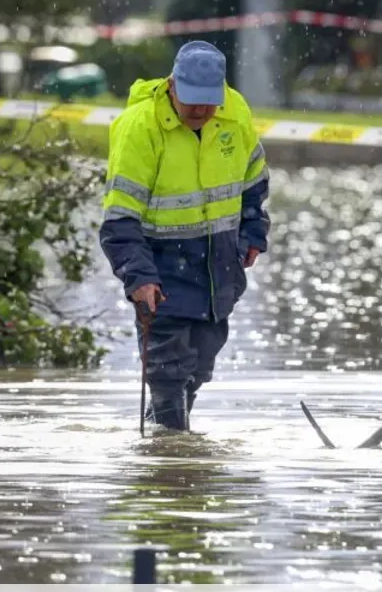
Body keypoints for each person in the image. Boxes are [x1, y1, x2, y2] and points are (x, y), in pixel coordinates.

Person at [99, 40, 270, 432]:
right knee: (167, 368)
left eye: (209, 102)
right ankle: (172, 455)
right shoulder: (139, 127)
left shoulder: (235, 112)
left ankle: (168, 444)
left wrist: (253, 233)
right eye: (192, 100)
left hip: (219, 265)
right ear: (172, 86)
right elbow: (119, 219)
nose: (200, 111)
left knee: (198, 364)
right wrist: (138, 277)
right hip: (162, 266)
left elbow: (254, 181)